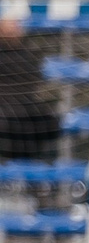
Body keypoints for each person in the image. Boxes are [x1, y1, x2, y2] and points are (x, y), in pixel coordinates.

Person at [0, 16, 57, 159]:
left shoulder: (28, 54)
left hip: (24, 114)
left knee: (50, 123)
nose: (15, 28)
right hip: (7, 115)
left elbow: (33, 78)